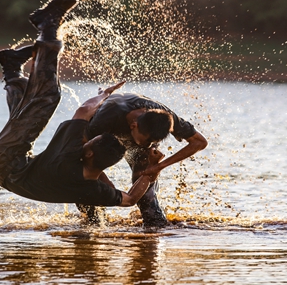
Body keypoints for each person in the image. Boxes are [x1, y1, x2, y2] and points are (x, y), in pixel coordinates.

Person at [0, 0, 164, 208]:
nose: (85, 141)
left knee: (49, 97)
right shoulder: (95, 189)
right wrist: (151, 170)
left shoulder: (70, 154)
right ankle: (12, 70)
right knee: (25, 115)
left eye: (89, 142)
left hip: (6, 158)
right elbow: (131, 199)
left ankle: (48, 25)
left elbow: (84, 110)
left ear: (88, 153)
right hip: (0, 174)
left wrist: (104, 94)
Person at [79, 93, 208, 227]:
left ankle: (155, 231)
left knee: (147, 200)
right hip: (103, 140)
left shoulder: (165, 118)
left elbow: (199, 142)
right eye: (147, 140)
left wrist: (159, 166)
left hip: (138, 148)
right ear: (133, 125)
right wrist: (104, 180)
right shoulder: (107, 117)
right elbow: (81, 152)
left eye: (153, 142)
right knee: (86, 183)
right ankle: (92, 226)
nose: (149, 145)